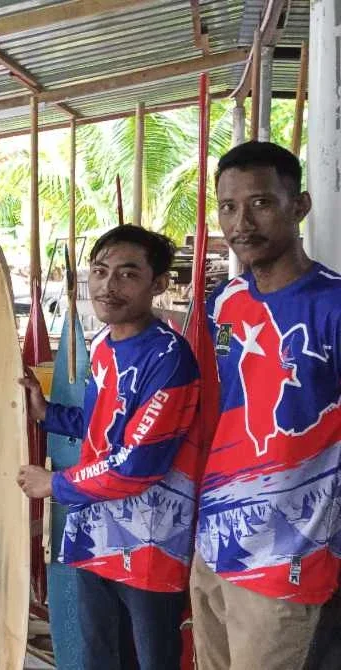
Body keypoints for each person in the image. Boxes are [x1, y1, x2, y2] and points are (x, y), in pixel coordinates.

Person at [18, 225, 201, 670]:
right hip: (94, 537)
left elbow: (138, 464)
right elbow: (107, 428)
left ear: (157, 284)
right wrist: (49, 414)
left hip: (148, 548)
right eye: (100, 271)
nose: (108, 286)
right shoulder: (104, 347)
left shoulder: (169, 357)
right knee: (102, 658)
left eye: (127, 274)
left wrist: (55, 485)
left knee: (150, 661)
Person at [190, 141, 341, 670]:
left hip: (286, 561)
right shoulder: (226, 302)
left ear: (299, 206)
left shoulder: (334, 305)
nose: (240, 223)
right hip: (214, 545)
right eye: (228, 207)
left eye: (260, 203)